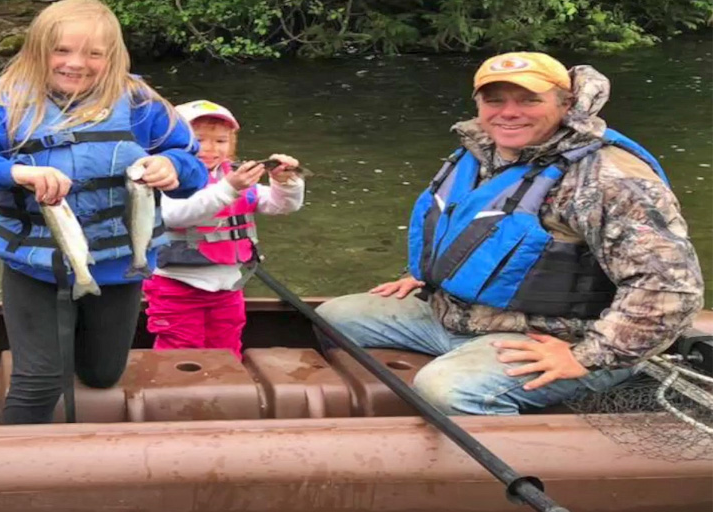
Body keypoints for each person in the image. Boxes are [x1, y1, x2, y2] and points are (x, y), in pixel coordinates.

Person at [315, 53, 704, 415]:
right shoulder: (481, 153)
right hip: (455, 316)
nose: (508, 113)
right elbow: (478, 230)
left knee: (448, 390)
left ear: (565, 105)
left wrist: (586, 355)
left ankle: (529, 463)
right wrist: (428, 274)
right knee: (334, 317)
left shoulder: (610, 178)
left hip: (559, 337)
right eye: (494, 99)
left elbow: (672, 291)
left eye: (529, 100)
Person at [0, 0, 207, 424]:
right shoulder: (9, 113)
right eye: (62, 50)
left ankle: (74, 338)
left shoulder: (143, 108)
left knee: (104, 375)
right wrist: (13, 173)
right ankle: (5, 474)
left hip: (120, 265)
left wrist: (173, 167)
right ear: (39, 52)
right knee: (40, 381)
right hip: (35, 267)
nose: (77, 63)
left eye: (94, 53)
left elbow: (194, 168)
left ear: (114, 57)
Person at [145, 100, 305, 360]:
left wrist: (285, 182)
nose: (210, 149)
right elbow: (174, 215)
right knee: (180, 352)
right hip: (176, 286)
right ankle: (179, 398)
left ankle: (224, 395)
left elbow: (282, 206)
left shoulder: (233, 178)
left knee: (227, 349)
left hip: (228, 287)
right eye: (199, 140)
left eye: (220, 141)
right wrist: (229, 189)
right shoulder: (168, 178)